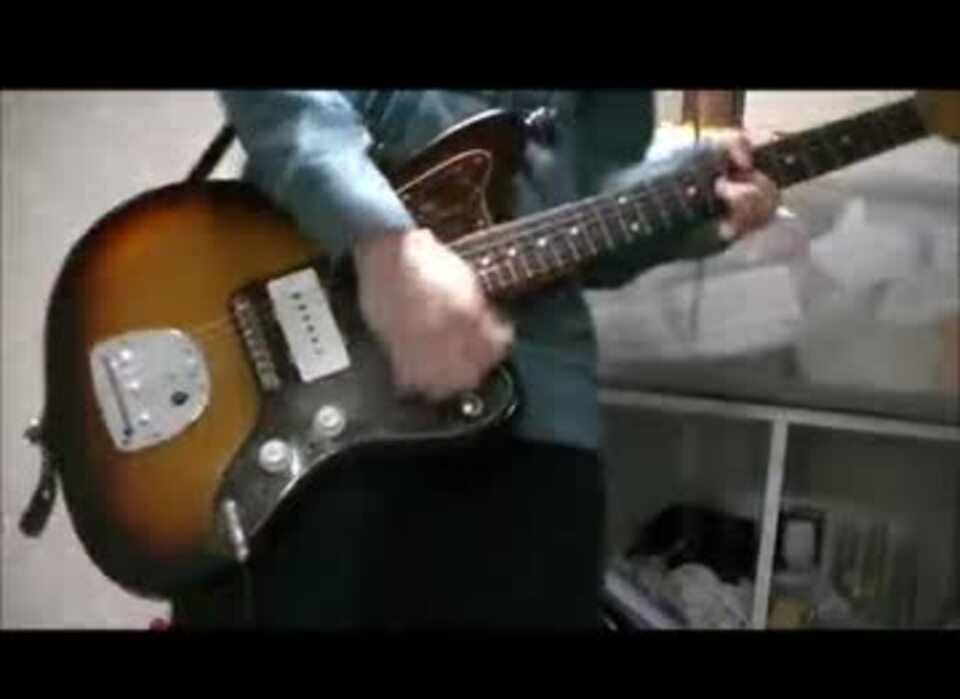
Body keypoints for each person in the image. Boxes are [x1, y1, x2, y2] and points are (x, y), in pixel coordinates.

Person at [171, 90, 780, 630]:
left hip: (537, 418)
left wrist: (692, 198)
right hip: (302, 384)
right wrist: (380, 242)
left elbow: (576, 209)